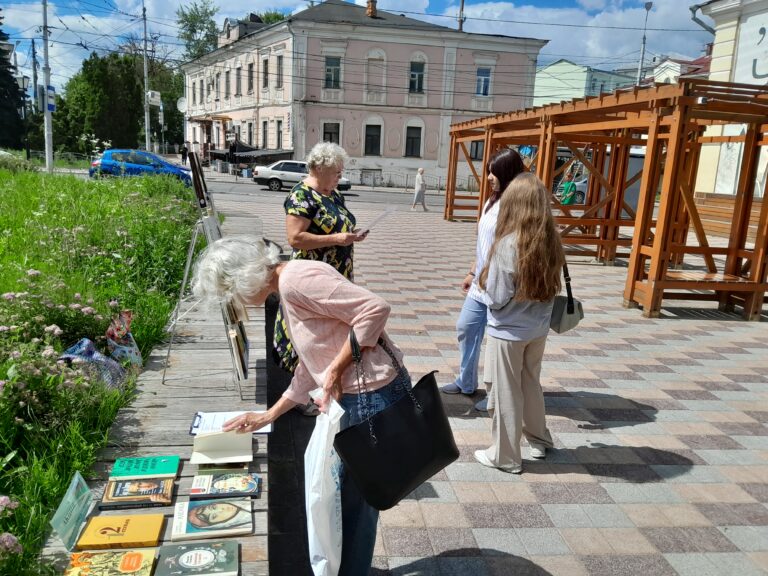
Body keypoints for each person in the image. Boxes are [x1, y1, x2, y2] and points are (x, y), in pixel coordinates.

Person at [191, 236, 412, 576]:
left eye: (233, 294)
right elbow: (312, 360)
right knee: (344, 498)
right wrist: (269, 415)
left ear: (244, 277)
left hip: (370, 395)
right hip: (356, 397)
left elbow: (375, 309)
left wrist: (336, 369)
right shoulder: (286, 286)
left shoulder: (297, 280)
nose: (240, 303)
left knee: (355, 501)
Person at [473, 173, 565, 473]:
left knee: (505, 391)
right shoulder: (551, 241)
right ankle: (540, 440)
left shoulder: (507, 244)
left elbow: (497, 298)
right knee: (530, 384)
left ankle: (505, 456)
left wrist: (481, 290)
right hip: (538, 328)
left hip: (508, 330)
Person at [274, 142, 367, 415]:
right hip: (311, 277)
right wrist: (337, 239)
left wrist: (351, 235)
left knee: (329, 332)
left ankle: (323, 389)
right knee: (311, 333)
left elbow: (339, 224)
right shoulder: (301, 195)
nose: (340, 176)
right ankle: (302, 396)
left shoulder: (333, 194)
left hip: (335, 273)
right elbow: (295, 238)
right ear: (320, 168)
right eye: (337, 171)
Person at [441, 148, 527, 413]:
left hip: (501, 285)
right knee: (466, 328)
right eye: (488, 171)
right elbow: (484, 244)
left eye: (494, 172)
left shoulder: (517, 204)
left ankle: (495, 395)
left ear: (507, 173)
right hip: (481, 284)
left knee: (497, 344)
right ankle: (466, 381)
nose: (489, 177)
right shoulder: (491, 201)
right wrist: (472, 271)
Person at [187, 500, 253, 530]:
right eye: (214, 516)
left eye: (214, 507)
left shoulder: (248, 500)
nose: (221, 510)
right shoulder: (246, 526)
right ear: (217, 524)